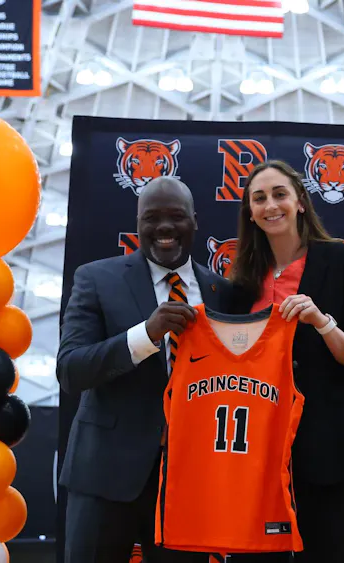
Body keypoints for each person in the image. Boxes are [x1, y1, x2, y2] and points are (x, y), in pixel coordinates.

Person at [57, 177, 236, 563]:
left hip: (190, 482)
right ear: (137, 223)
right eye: (152, 217)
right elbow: (71, 371)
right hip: (104, 475)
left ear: (194, 221)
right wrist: (145, 335)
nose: (164, 228)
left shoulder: (225, 292)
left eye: (176, 216)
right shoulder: (96, 278)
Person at [228, 160, 344, 563]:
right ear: (250, 212)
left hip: (326, 452)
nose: (270, 205)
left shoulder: (343, 262)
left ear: (300, 202)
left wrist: (322, 322)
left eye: (280, 194)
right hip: (255, 455)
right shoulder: (240, 283)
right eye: (258, 198)